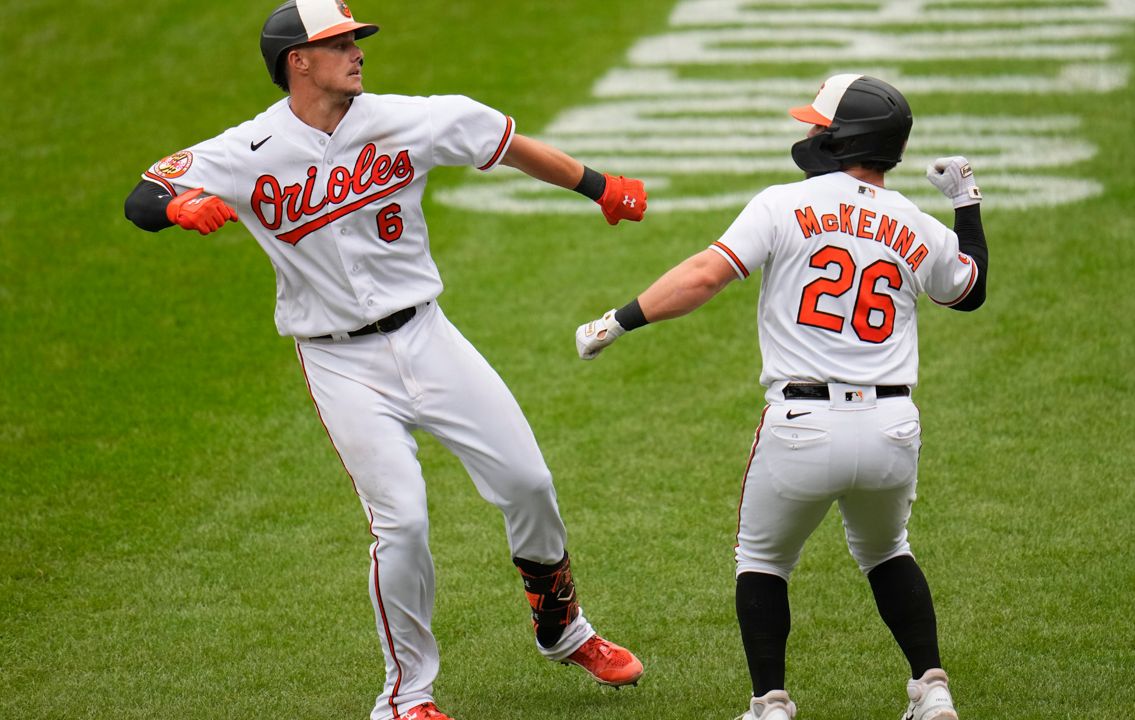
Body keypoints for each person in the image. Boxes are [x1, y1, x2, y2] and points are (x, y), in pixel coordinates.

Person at [123, 2, 648, 719]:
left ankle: (563, 629)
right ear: (295, 62)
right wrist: (177, 209)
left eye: (354, 39)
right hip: (341, 364)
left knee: (528, 480)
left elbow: (504, 140)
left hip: (429, 337)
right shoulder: (245, 151)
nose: (356, 50)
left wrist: (599, 186)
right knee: (400, 523)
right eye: (337, 43)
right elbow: (144, 194)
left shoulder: (410, 118)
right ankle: (406, 698)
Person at [573, 74, 988, 720]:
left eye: (819, 125)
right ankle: (931, 689)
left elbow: (707, 275)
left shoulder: (782, 205)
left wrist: (621, 319)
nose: (810, 133)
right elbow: (970, 287)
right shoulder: (917, 223)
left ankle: (770, 703)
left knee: (763, 557)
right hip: (892, 430)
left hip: (802, 425)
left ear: (841, 137)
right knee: (887, 550)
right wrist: (965, 201)